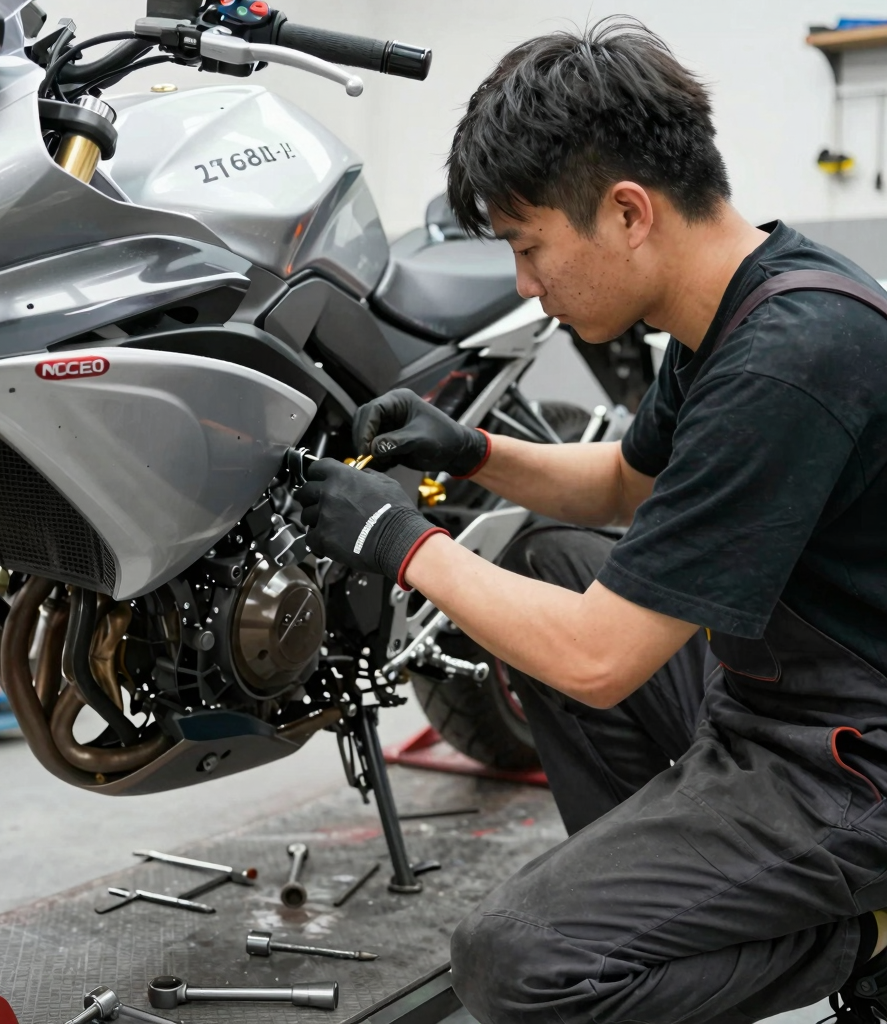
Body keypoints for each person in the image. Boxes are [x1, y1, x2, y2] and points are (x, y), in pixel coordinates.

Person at [295, 16, 887, 1024]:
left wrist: (399, 543)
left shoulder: (790, 356)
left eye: (531, 248)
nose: (527, 284)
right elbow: (625, 483)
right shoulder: (730, 310)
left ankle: (860, 933)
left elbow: (600, 659)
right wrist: (473, 451)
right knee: (551, 558)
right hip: (769, 702)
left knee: (517, 961)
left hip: (850, 759)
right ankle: (659, 913)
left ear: (625, 212)